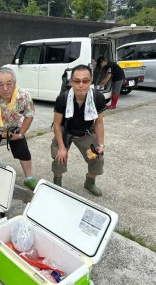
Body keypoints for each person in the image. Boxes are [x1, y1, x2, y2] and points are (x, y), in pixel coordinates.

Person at [51, 64, 106, 196]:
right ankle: (57, 182)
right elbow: (57, 125)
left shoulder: (98, 98)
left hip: (85, 133)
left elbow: (98, 123)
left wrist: (101, 144)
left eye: (85, 81)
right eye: (77, 81)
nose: (81, 85)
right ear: (71, 82)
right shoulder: (63, 99)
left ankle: (90, 182)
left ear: (91, 81)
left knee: (97, 157)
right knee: (59, 156)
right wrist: (62, 148)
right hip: (66, 132)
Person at [0, 67, 37, 191]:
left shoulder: (23, 95)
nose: (5, 89)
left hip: (14, 126)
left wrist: (21, 134)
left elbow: (29, 114)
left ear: (15, 83)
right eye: (0, 85)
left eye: (9, 84)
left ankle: (28, 178)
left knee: (23, 151)